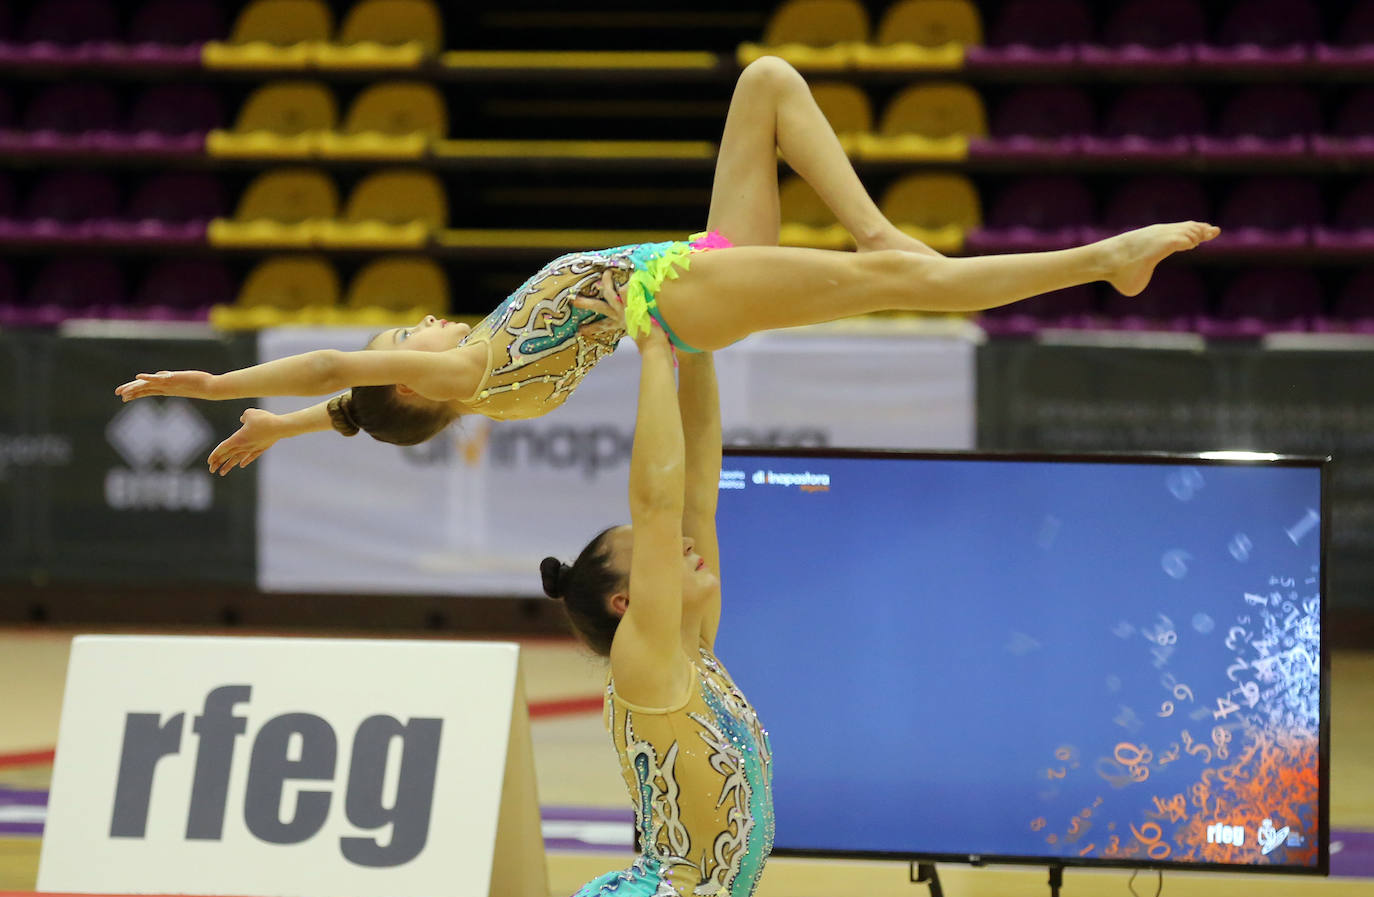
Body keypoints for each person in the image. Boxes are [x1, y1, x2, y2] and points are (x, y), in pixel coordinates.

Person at [68, 284, 1242, 897]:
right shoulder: (650, 663)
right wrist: (643, 353)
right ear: (628, 601)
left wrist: (697, 346)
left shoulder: (691, 646)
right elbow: (661, 491)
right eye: (667, 558)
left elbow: (700, 479)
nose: (692, 551)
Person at [112, 57, 1218, 476]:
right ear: (414, 380)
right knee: (911, 286)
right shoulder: (465, 374)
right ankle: (1105, 261)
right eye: (405, 342)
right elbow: (328, 365)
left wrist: (294, 431)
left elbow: (354, 404)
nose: (419, 330)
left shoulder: (459, 390)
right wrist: (222, 387)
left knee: (769, 85)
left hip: (695, 265)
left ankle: (880, 231)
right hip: (676, 295)